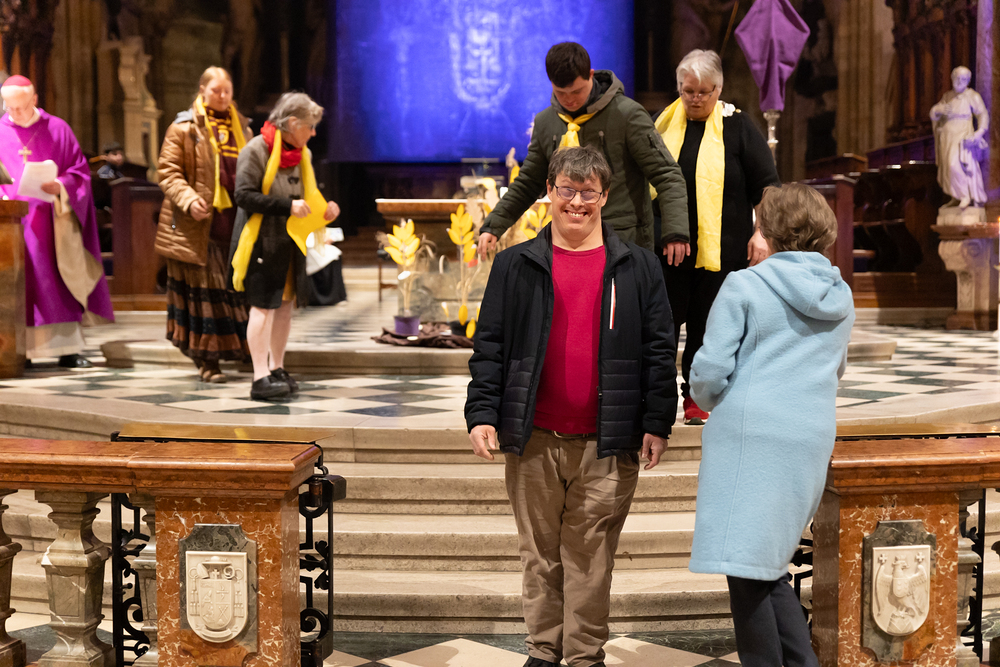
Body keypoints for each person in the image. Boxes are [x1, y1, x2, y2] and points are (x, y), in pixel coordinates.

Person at [466, 146, 676, 667]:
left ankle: (584, 656)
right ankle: (542, 651)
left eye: (588, 192)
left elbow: (658, 349)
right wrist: (482, 413)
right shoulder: (516, 264)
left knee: (590, 558)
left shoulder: (638, 266)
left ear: (605, 196)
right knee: (538, 556)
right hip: (534, 437)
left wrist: (657, 422)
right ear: (549, 192)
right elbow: (490, 346)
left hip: (607, 439)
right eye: (566, 190)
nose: (576, 202)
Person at [689, 183, 854, 667]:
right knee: (766, 567)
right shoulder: (840, 293)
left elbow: (708, 375)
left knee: (748, 572)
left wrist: (711, 398)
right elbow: (837, 369)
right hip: (810, 435)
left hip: (751, 437)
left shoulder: (745, 284)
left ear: (771, 230)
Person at [654, 49, 779, 425]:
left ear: (718, 89)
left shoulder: (738, 127)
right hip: (668, 248)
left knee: (707, 328)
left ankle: (697, 397)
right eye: (687, 90)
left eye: (703, 92)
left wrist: (762, 233)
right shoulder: (660, 124)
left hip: (722, 251)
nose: (694, 99)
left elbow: (767, 185)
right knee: (661, 328)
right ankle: (657, 401)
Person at [477, 41, 687, 259]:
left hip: (624, 242)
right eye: (560, 93)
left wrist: (675, 233)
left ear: (591, 75)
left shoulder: (628, 115)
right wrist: (494, 225)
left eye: (576, 91)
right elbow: (528, 183)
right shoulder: (546, 122)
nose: (569, 99)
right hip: (567, 243)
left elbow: (666, 174)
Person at [229, 91, 339, 400]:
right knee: (263, 307)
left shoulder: (303, 155)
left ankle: (276, 367)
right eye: (310, 126)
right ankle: (259, 376)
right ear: (292, 123)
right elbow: (243, 196)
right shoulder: (256, 149)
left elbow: (309, 196)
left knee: (285, 308)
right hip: (261, 242)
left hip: (290, 242)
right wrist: (287, 206)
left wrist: (326, 209)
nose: (313, 133)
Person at [0, 74, 113, 367]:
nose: (16, 114)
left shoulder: (58, 129)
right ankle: (19, 350)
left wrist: (61, 185)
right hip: (10, 225)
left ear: (35, 99)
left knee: (57, 283)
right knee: (16, 288)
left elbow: (80, 172)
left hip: (53, 221)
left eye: (22, 107)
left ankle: (68, 349)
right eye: (10, 108)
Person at [154, 66, 251, 383]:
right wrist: (188, 199)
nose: (222, 96)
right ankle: (208, 361)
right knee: (206, 297)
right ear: (202, 91)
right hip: (198, 227)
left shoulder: (244, 130)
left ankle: (245, 351)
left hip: (236, 226)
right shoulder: (184, 128)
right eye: (215, 91)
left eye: (227, 91)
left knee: (235, 293)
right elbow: (168, 173)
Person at [930, 65, 988, 208]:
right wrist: (938, 110)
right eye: (957, 78)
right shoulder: (947, 96)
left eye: (963, 79)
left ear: (968, 80)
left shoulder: (972, 96)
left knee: (954, 164)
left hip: (962, 134)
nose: (959, 81)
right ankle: (955, 197)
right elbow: (934, 113)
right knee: (946, 168)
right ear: (952, 78)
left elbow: (983, 114)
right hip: (947, 137)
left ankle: (965, 195)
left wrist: (979, 132)